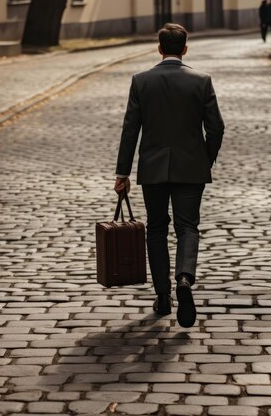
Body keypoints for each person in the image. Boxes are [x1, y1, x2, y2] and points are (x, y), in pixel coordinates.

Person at [114, 23, 224, 328]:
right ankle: (184, 279)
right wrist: (206, 159)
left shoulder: (141, 81)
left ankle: (163, 295)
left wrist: (122, 172)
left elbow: (130, 130)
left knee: (157, 229)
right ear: (185, 49)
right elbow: (216, 128)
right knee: (188, 227)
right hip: (191, 168)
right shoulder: (201, 81)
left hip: (153, 169)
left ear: (159, 48)